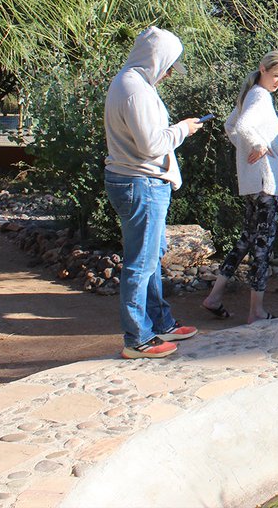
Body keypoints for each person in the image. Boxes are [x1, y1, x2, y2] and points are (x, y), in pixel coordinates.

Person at [103, 26, 204, 359]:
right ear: (157, 59)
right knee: (140, 263)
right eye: (169, 65)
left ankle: (159, 322)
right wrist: (183, 130)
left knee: (149, 257)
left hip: (140, 181)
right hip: (141, 183)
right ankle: (137, 338)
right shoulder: (135, 90)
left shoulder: (132, 83)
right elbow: (151, 145)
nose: (169, 73)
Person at [201, 51, 278, 324]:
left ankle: (215, 296)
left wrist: (248, 148)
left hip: (254, 183)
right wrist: (258, 146)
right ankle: (256, 311)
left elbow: (231, 125)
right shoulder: (261, 96)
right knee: (262, 245)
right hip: (265, 183)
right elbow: (241, 125)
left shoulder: (251, 93)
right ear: (262, 69)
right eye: (276, 75)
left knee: (247, 240)